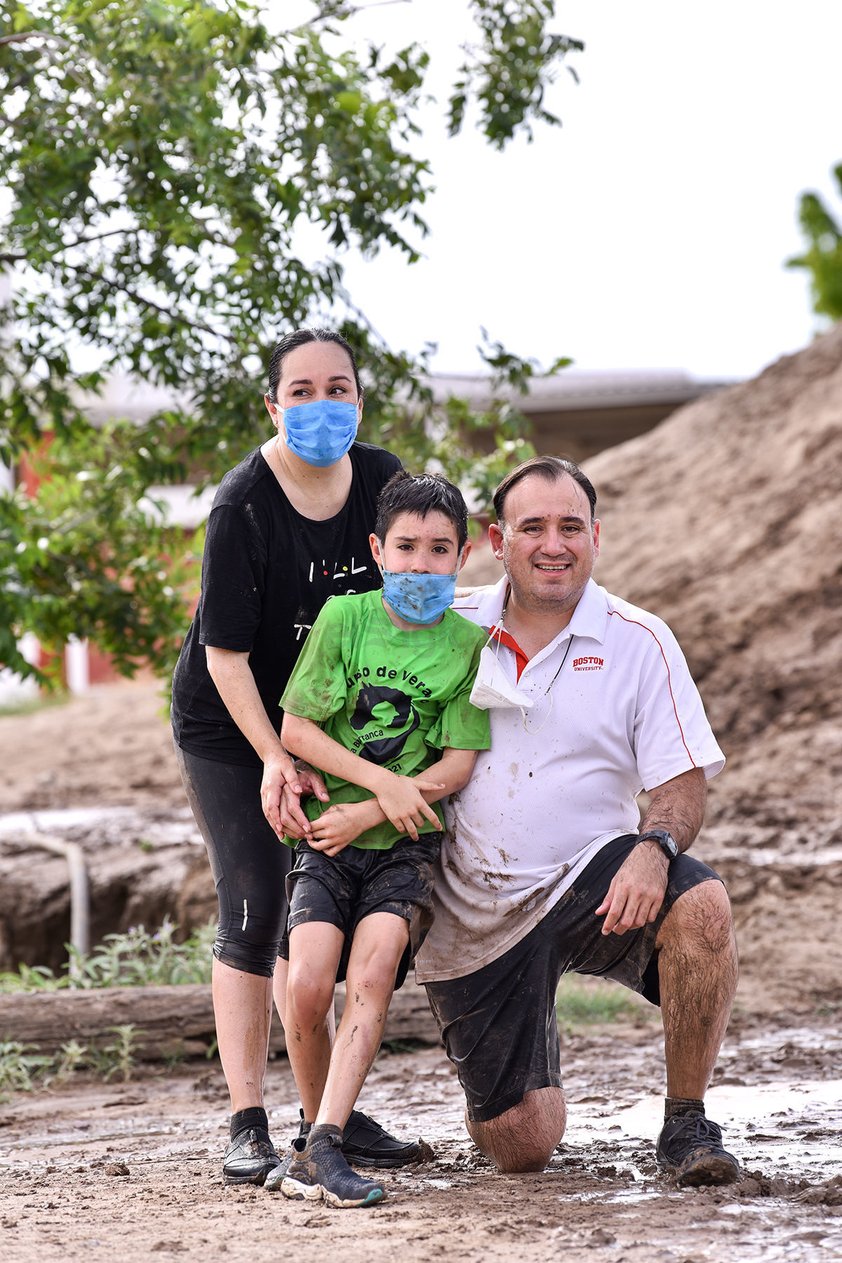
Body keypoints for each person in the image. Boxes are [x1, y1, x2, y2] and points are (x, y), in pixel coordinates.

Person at [415, 455, 741, 1188]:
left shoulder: (640, 638)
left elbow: (682, 784)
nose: (552, 544)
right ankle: (511, 1068)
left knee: (702, 906)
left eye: (570, 526)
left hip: (593, 877)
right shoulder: (445, 625)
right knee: (524, 1144)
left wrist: (655, 846)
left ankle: (687, 1121)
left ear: (595, 535)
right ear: (497, 541)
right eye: (532, 527)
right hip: (472, 911)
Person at [170, 328, 425, 1184]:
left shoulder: (384, 481)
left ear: (361, 395)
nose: (324, 405)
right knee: (255, 900)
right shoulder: (243, 501)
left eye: (340, 387)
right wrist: (276, 757)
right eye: (304, 391)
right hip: (234, 725)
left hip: (325, 728)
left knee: (320, 911)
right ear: (273, 405)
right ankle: (247, 1117)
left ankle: (327, 1116)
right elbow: (225, 655)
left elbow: (416, 591)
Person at [267, 471, 491, 1208]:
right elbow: (297, 729)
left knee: (372, 971)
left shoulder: (468, 645)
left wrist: (381, 806)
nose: (420, 565)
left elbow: (457, 763)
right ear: (377, 548)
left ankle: (326, 1143)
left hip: (404, 842)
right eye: (405, 547)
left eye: (438, 550)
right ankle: (313, 1127)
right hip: (326, 835)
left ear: (461, 556)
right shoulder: (346, 618)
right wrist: (379, 782)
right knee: (305, 984)